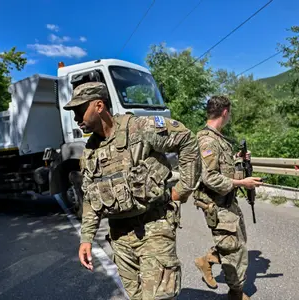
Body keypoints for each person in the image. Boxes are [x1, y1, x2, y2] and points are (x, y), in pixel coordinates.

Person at [63, 81, 201, 300]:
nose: (76, 119)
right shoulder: (90, 152)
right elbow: (91, 196)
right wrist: (86, 238)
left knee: (157, 297)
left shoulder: (140, 128)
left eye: (80, 110)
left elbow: (186, 139)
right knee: (136, 296)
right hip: (120, 235)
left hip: (153, 226)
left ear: (99, 106)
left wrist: (183, 189)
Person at [192, 95, 263, 300]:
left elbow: (221, 166)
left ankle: (207, 260)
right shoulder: (207, 140)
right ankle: (236, 294)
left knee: (236, 241)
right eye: (229, 113)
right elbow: (210, 177)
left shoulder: (218, 138)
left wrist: (238, 159)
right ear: (225, 112)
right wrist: (242, 183)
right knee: (233, 249)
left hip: (227, 201)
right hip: (217, 204)